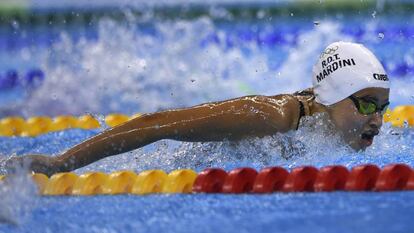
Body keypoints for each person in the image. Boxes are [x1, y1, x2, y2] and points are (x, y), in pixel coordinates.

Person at [4, 41, 390, 176]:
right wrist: (63, 163)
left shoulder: (338, 133)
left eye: (384, 107)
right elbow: (160, 124)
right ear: (332, 96)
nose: (378, 118)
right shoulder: (269, 117)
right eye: (368, 103)